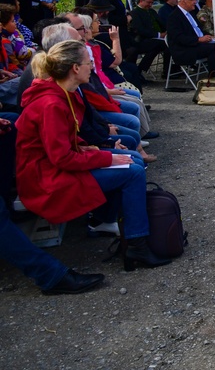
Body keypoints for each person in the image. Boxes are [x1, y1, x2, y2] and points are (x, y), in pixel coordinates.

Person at [16, 40, 170, 271]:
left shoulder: (60, 94)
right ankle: (136, 244)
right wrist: (107, 157)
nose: (92, 67)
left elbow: (61, 144)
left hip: (52, 167)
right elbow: (61, 158)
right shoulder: (52, 103)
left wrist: (92, 148)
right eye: (89, 63)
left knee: (131, 160)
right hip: (46, 178)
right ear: (75, 68)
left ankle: (116, 227)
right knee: (133, 171)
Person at [166, 0, 215, 82]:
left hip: (198, 44)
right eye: (192, 0)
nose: (195, 2)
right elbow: (179, 38)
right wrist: (198, 39)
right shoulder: (174, 17)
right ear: (183, 1)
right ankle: (214, 79)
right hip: (185, 49)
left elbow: (198, 30)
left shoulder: (191, 13)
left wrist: (212, 37)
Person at [128, 0, 171, 75]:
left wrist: (167, 31)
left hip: (157, 39)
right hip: (143, 40)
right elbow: (140, 30)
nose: (150, 5)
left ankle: (141, 69)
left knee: (159, 46)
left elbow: (161, 23)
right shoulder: (134, 13)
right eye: (148, 2)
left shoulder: (152, 12)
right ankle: (167, 71)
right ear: (141, 0)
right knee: (165, 45)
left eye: (152, 2)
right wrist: (159, 35)